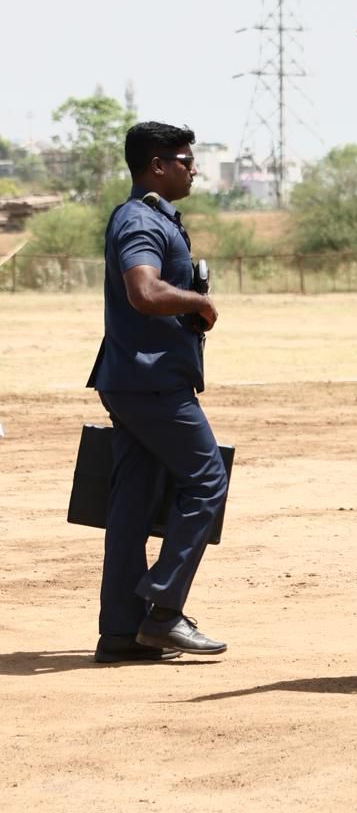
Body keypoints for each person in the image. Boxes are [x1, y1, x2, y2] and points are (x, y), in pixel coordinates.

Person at [89, 121, 228, 663]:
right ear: (156, 166)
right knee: (207, 481)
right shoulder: (139, 221)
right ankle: (165, 611)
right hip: (150, 382)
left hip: (134, 378)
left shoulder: (150, 216)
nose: (192, 168)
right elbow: (143, 291)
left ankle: (122, 630)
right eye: (184, 159)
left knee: (131, 501)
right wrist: (197, 304)